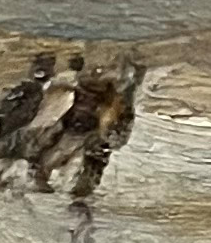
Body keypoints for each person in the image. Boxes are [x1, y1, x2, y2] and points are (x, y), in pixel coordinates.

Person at [36, 57, 145, 210]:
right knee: (70, 150)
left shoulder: (110, 105)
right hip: (87, 125)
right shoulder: (105, 100)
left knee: (78, 152)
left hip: (91, 127)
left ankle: (75, 187)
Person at [0, 50, 63, 185]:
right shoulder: (29, 88)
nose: (40, 70)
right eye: (40, 65)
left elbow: (8, 103)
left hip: (24, 125)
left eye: (45, 66)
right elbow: (7, 103)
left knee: (12, 151)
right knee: (1, 148)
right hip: (14, 123)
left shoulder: (49, 90)